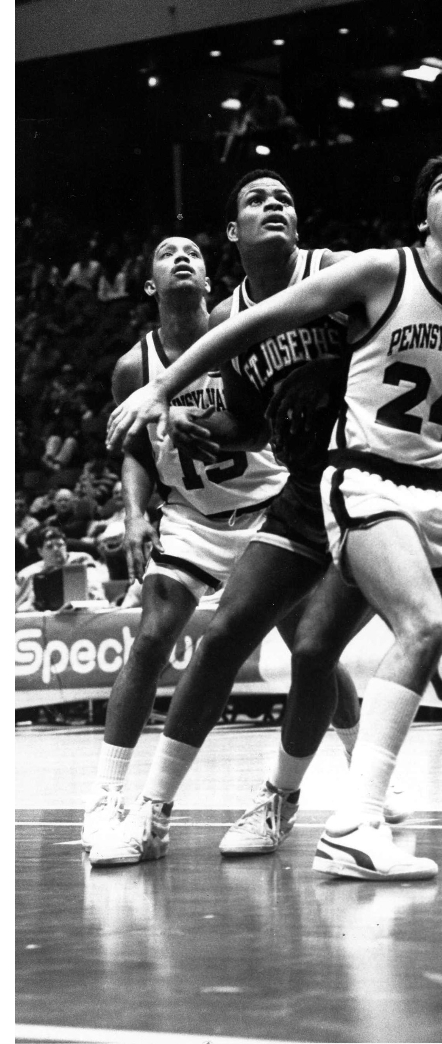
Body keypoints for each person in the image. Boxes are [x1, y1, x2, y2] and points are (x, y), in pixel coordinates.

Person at [106, 155, 442, 881]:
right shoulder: (355, 278)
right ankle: (177, 809)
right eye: (440, 188)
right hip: (342, 482)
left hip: (426, 487)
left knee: (321, 649)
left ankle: (286, 796)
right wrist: (168, 394)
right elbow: (249, 373)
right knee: (271, 630)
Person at [92, 170, 395, 866]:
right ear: (233, 232)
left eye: (285, 197)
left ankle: (326, 795)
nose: (273, 206)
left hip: (365, 476)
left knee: (320, 646)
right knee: (226, 632)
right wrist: (213, 433)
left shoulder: (337, 274)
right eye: (256, 200)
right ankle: (151, 811)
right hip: (293, 492)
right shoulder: (230, 322)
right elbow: (249, 419)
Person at [82, 234, 290, 867]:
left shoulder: (240, 330)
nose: (181, 258)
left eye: (193, 253)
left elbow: (276, 417)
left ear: (208, 279)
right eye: (167, 253)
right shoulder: (132, 368)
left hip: (266, 507)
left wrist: (224, 429)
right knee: (151, 638)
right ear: (151, 285)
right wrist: (134, 510)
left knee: (312, 645)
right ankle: (108, 795)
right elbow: (137, 452)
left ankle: (365, 777)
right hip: (192, 517)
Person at [16, 524, 109, 610]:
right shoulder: (28, 574)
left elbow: (96, 591)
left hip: (83, 611)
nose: (56, 549)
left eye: (60, 545)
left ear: (66, 546)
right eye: (49, 547)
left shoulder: (82, 560)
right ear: (40, 551)